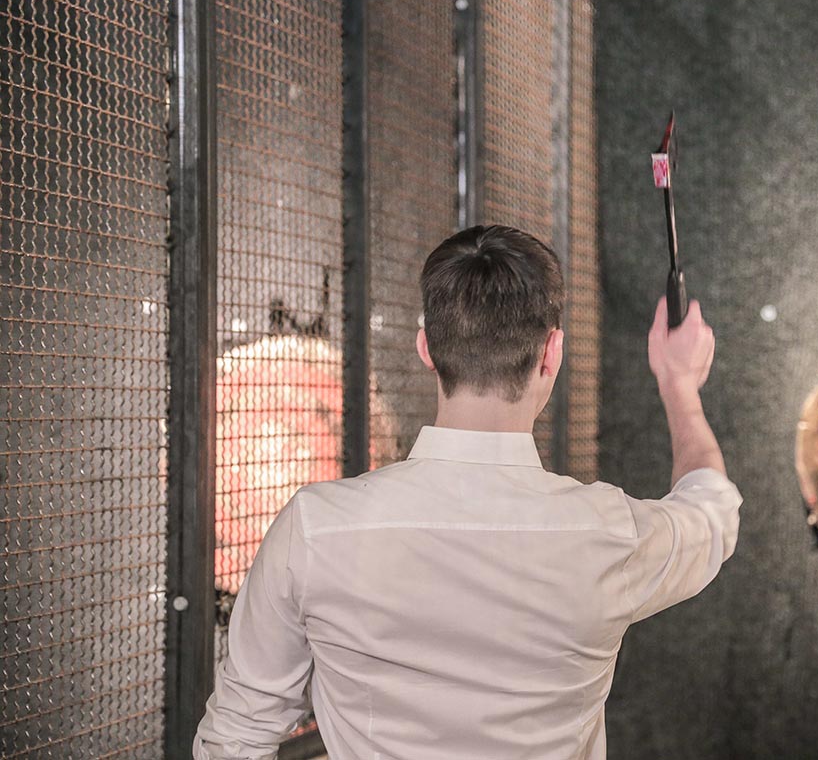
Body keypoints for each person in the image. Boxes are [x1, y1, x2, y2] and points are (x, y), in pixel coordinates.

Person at [193, 224, 742, 759]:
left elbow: (236, 736)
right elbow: (712, 508)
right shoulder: (610, 534)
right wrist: (678, 384)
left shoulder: (316, 529)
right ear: (552, 353)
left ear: (426, 347)